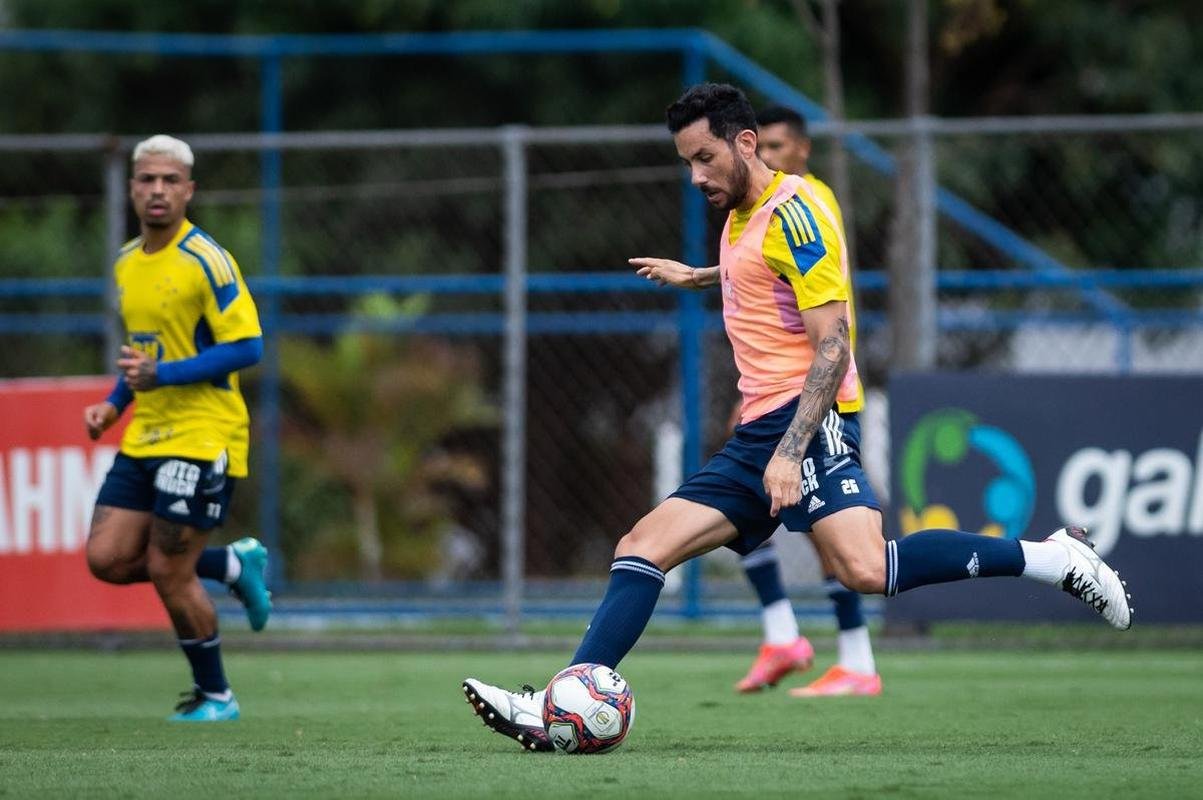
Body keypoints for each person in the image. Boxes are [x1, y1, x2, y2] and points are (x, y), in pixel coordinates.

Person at [463, 83, 1130, 753]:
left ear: (743, 143)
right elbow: (756, 272)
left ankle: (1051, 558)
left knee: (865, 570)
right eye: (685, 163)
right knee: (642, 548)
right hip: (759, 429)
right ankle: (557, 702)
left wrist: (788, 450)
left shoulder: (797, 214)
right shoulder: (739, 212)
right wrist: (696, 276)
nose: (695, 177)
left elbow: (835, 345)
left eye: (702, 158)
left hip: (804, 420)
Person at [83, 134, 271, 722]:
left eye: (169, 181)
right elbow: (146, 354)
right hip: (147, 434)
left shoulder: (206, 260)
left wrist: (162, 376)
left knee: (168, 569)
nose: (157, 190)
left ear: (189, 190)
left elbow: (248, 345)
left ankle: (217, 697)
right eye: (146, 180)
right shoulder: (125, 263)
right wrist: (115, 404)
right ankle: (232, 567)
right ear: (132, 187)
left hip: (204, 432)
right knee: (107, 559)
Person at [730, 105, 880, 697]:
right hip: (778, 391)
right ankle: (798, 639)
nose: (763, 157)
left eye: (775, 146)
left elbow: (822, 316)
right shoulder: (762, 208)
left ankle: (842, 655)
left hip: (817, 394)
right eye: (757, 146)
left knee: (846, 550)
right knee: (750, 511)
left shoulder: (804, 201)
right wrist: (698, 275)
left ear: (802, 150)